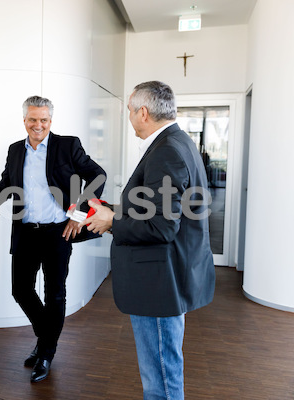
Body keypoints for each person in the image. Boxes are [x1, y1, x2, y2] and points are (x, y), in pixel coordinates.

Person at [80, 81, 215, 399]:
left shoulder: (166, 151)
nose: (129, 117)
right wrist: (117, 209)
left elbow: (161, 227)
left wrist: (112, 220)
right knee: (164, 369)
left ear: (143, 112)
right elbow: (161, 209)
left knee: (161, 378)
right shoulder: (177, 141)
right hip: (166, 279)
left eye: (129, 109)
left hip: (159, 284)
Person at [0, 96, 106, 383]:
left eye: (43, 119)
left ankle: (46, 352)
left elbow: (97, 175)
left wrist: (79, 215)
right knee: (21, 289)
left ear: (50, 121)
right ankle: (46, 341)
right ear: (24, 121)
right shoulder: (15, 150)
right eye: (32, 119)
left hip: (59, 232)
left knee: (55, 294)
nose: (38, 125)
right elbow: (7, 183)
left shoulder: (68, 145)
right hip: (26, 231)